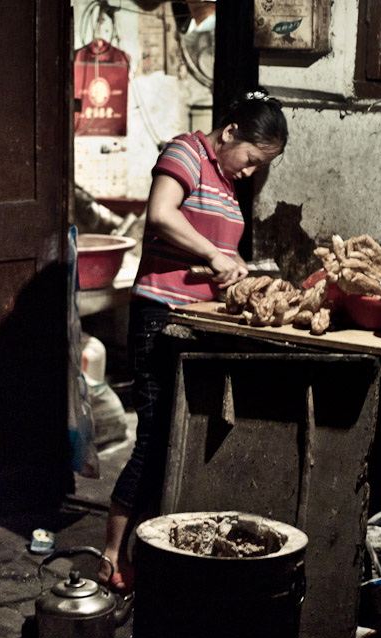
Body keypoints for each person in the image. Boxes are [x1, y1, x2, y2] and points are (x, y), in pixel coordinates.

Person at [100, 90, 289, 592]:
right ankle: (110, 556)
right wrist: (216, 253)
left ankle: (152, 554)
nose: (251, 173)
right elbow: (161, 215)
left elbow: (211, 261)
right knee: (153, 436)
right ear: (229, 133)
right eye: (251, 160)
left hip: (200, 324)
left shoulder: (227, 186)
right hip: (159, 318)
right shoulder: (185, 152)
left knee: (177, 442)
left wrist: (231, 270)